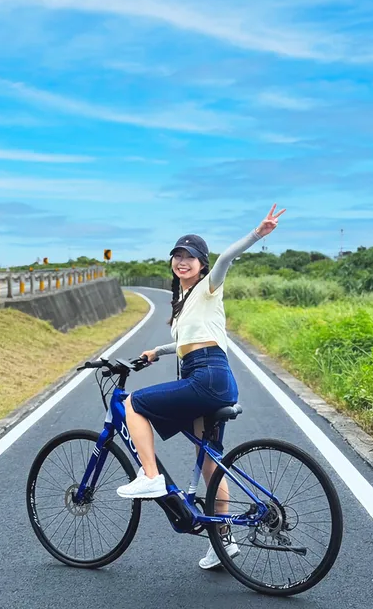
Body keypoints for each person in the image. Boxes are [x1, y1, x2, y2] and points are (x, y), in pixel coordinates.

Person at [116, 204, 285, 569]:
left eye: (190, 257)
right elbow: (191, 341)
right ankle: (223, 544)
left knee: (133, 404)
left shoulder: (209, 287)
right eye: (177, 256)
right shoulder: (186, 303)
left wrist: (258, 233)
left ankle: (150, 477)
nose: (182, 261)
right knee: (211, 465)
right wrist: (157, 352)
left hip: (206, 376)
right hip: (214, 377)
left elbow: (226, 258)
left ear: (202, 265)